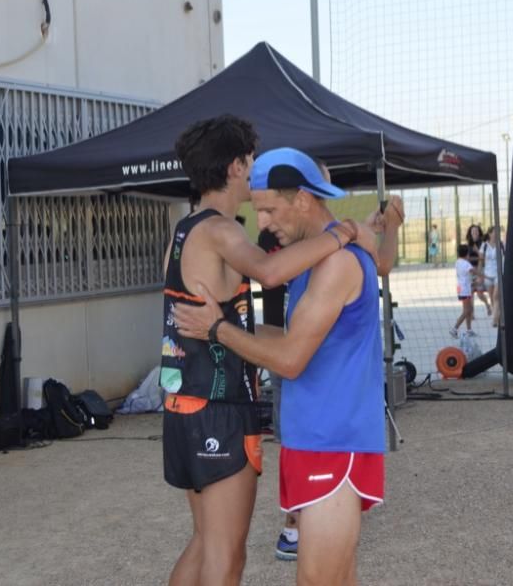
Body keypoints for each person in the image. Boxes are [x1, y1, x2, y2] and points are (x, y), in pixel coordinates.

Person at [160, 117, 375, 586]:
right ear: (236, 165)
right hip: (216, 407)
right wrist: (340, 234)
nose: (264, 221)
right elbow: (270, 272)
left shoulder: (184, 229)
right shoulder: (218, 229)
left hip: (184, 406)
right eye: (251, 161)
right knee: (225, 555)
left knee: (203, 542)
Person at [261, 166, 404, 562]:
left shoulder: (334, 256)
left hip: (332, 439)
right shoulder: (312, 246)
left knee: (321, 575)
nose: (263, 221)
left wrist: (219, 330)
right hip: (313, 431)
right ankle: (294, 523)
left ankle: (293, 526)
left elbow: (290, 358)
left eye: (270, 209)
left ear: (305, 198)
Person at [450, 243, 483, 338]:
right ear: (467, 254)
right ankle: (454, 328)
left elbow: (466, 275)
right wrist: (481, 275)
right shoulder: (466, 264)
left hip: (462, 288)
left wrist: (472, 280)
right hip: (465, 290)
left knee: (469, 309)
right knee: (467, 310)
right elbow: (474, 271)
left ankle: (469, 330)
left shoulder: (458, 262)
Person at [465, 224, 492, 316]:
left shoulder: (483, 244)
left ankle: (488, 305)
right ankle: (471, 313)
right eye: (473, 231)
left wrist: (477, 252)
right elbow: (466, 258)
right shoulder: (468, 244)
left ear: (479, 233)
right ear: (470, 233)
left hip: (480, 270)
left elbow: (484, 258)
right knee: (471, 292)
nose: (475, 233)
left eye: (476, 231)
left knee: (480, 293)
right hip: (471, 271)